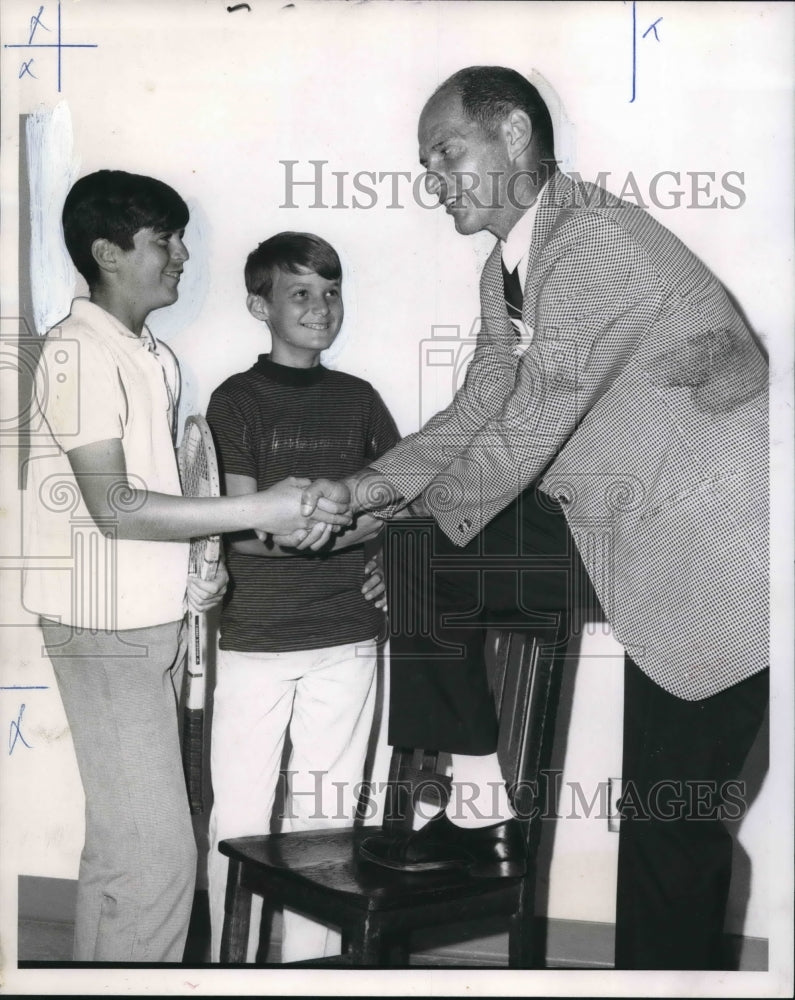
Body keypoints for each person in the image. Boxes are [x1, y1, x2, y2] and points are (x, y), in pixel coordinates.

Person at [297, 66, 769, 970]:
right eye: (425, 163)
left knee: (669, 826)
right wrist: (367, 499)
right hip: (623, 528)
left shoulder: (591, 243)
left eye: (447, 153)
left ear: (513, 132)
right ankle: (484, 814)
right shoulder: (506, 271)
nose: (433, 180)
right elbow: (477, 411)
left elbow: (526, 429)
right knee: (422, 550)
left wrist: (410, 525)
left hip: (724, 561)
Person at [21, 172, 350, 964]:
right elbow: (116, 508)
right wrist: (260, 510)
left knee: (122, 850)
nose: (181, 254)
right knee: (161, 862)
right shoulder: (74, 353)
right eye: (162, 240)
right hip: (101, 627)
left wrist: (196, 572)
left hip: (149, 621)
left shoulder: (151, 357)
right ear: (107, 253)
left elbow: (156, 508)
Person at [204, 231, 400, 964]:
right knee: (245, 816)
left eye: (330, 291)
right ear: (260, 306)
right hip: (257, 639)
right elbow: (238, 527)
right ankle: (234, 964)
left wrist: (378, 551)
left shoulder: (359, 400)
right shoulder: (235, 401)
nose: (320, 307)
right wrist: (333, 534)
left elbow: (397, 500)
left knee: (328, 820)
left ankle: (315, 968)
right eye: (300, 294)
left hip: (346, 637)